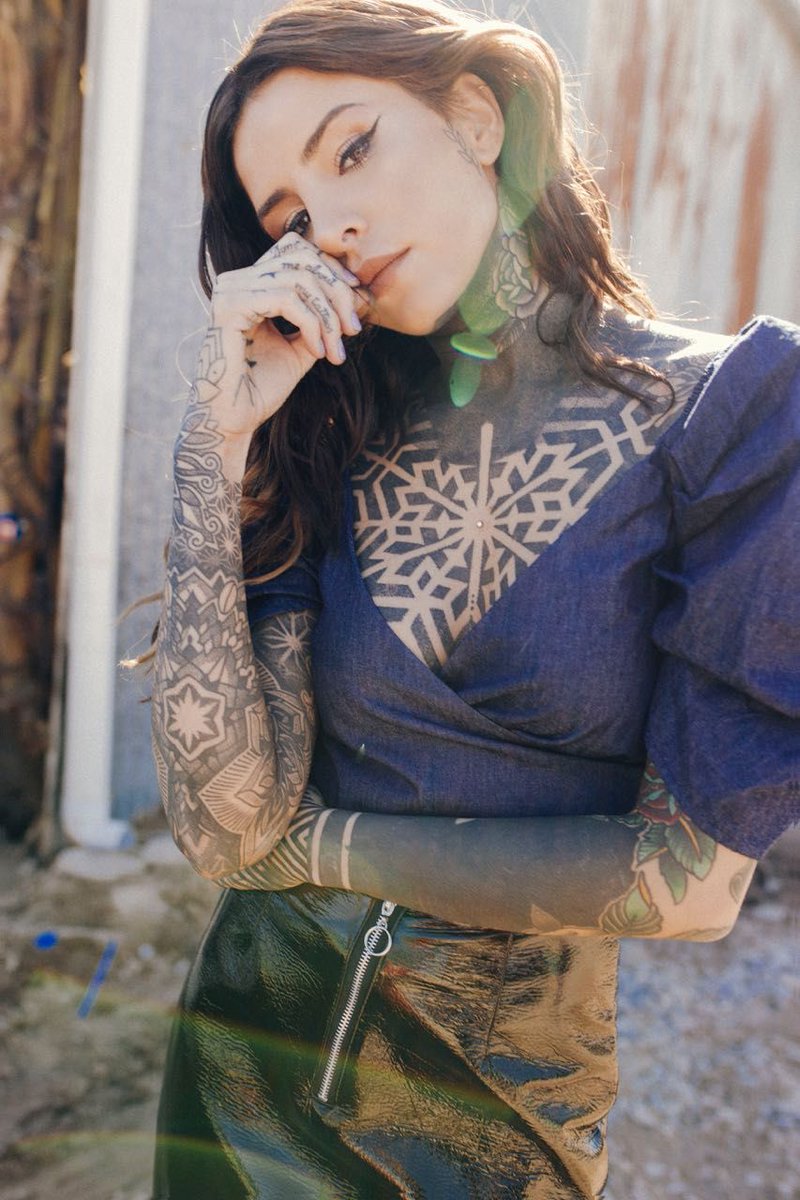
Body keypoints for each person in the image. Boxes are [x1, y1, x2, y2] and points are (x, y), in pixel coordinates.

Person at [148, 1, 800, 1196]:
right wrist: (213, 443)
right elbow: (224, 828)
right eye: (290, 220)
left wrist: (322, 847)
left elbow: (687, 883)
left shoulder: (729, 417)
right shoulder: (327, 428)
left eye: (351, 150)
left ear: (473, 115)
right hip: (241, 1073)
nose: (333, 227)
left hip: (492, 1120)